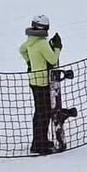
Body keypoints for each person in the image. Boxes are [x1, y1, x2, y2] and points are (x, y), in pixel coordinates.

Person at [19, 13, 62, 155]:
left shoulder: (30, 41)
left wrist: (29, 62)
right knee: (44, 114)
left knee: (39, 113)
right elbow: (53, 60)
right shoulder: (42, 43)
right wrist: (57, 48)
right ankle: (40, 145)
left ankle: (38, 141)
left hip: (34, 81)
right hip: (43, 82)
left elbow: (22, 50)